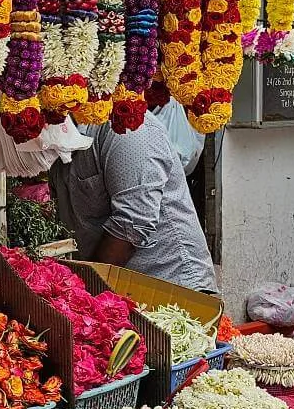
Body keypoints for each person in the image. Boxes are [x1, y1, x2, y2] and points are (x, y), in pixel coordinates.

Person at [50, 111, 217, 292]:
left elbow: (133, 224)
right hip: (115, 292)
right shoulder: (60, 140)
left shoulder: (127, 125)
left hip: (173, 287)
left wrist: (86, 289)